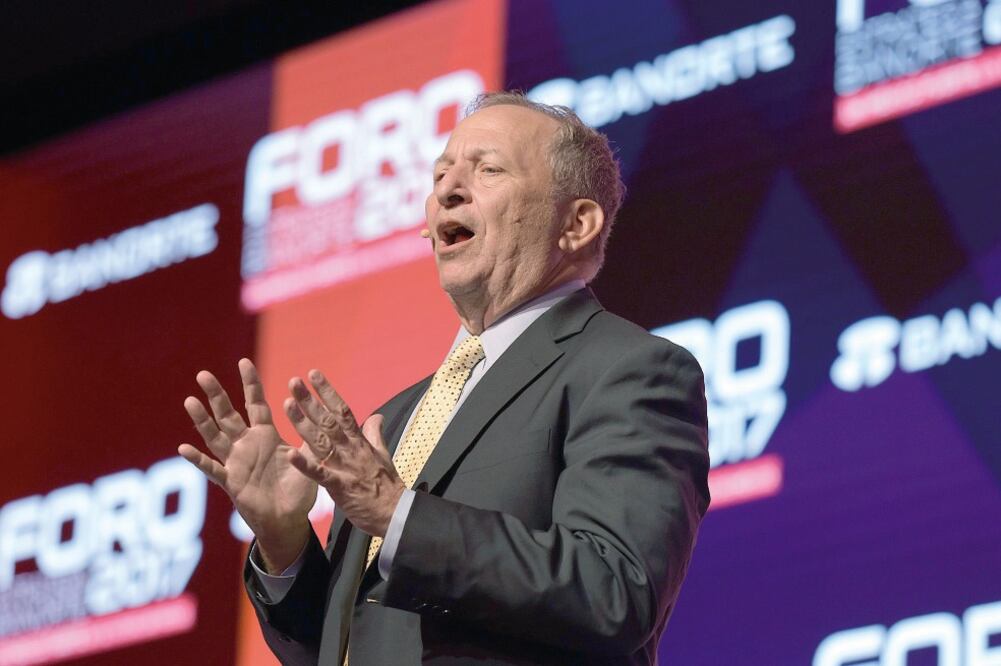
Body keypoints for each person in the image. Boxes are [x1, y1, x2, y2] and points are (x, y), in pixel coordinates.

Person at [178, 91, 710, 665]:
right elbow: (347, 646)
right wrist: (284, 541)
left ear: (576, 224)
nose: (448, 191)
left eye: (488, 170)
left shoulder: (627, 370)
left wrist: (396, 514)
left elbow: (614, 592)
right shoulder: (398, 418)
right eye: (440, 175)